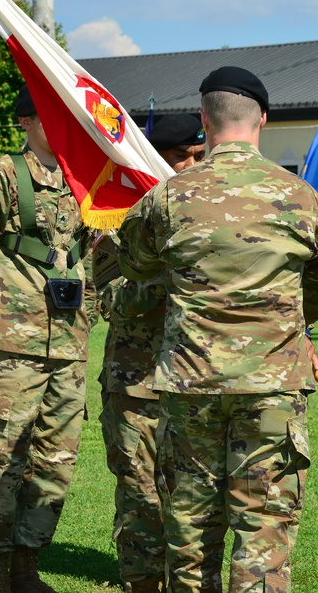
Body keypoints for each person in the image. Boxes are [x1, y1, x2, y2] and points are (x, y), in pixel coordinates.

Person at [117, 66, 318, 593]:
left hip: (190, 385)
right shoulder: (303, 198)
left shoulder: (169, 198)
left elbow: (136, 267)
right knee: (262, 529)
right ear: (262, 119)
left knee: (190, 531)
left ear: (205, 119)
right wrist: (283, 325)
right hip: (271, 389)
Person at [0, 84, 101, 593]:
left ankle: (28, 567)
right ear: (25, 122)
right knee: (3, 463)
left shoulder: (84, 182)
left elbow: (97, 256)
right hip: (10, 346)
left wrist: (94, 304)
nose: (59, 125)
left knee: (54, 466)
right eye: (47, 116)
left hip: (68, 344)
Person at [99, 113, 206, 593]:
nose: (194, 167)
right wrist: (172, 274)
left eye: (199, 157)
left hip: (198, 380)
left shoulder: (205, 215)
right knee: (141, 494)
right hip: (136, 383)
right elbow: (111, 297)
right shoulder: (116, 217)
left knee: (194, 496)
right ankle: (141, 583)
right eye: (186, 158)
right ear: (156, 160)